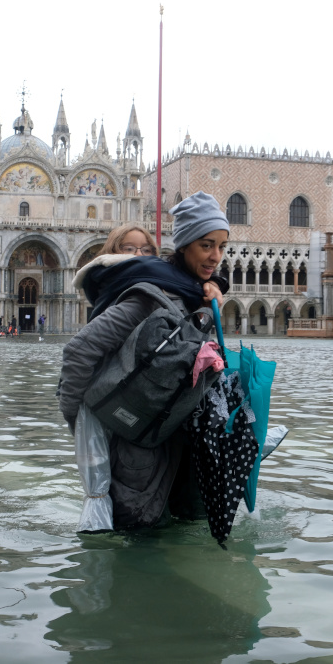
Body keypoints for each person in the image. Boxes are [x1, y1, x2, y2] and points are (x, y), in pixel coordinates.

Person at [59, 191, 230, 530]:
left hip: (178, 450)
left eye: (222, 247)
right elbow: (79, 351)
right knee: (136, 544)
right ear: (183, 246)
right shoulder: (150, 296)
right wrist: (79, 421)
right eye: (206, 245)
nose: (216, 256)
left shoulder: (193, 293)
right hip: (138, 459)